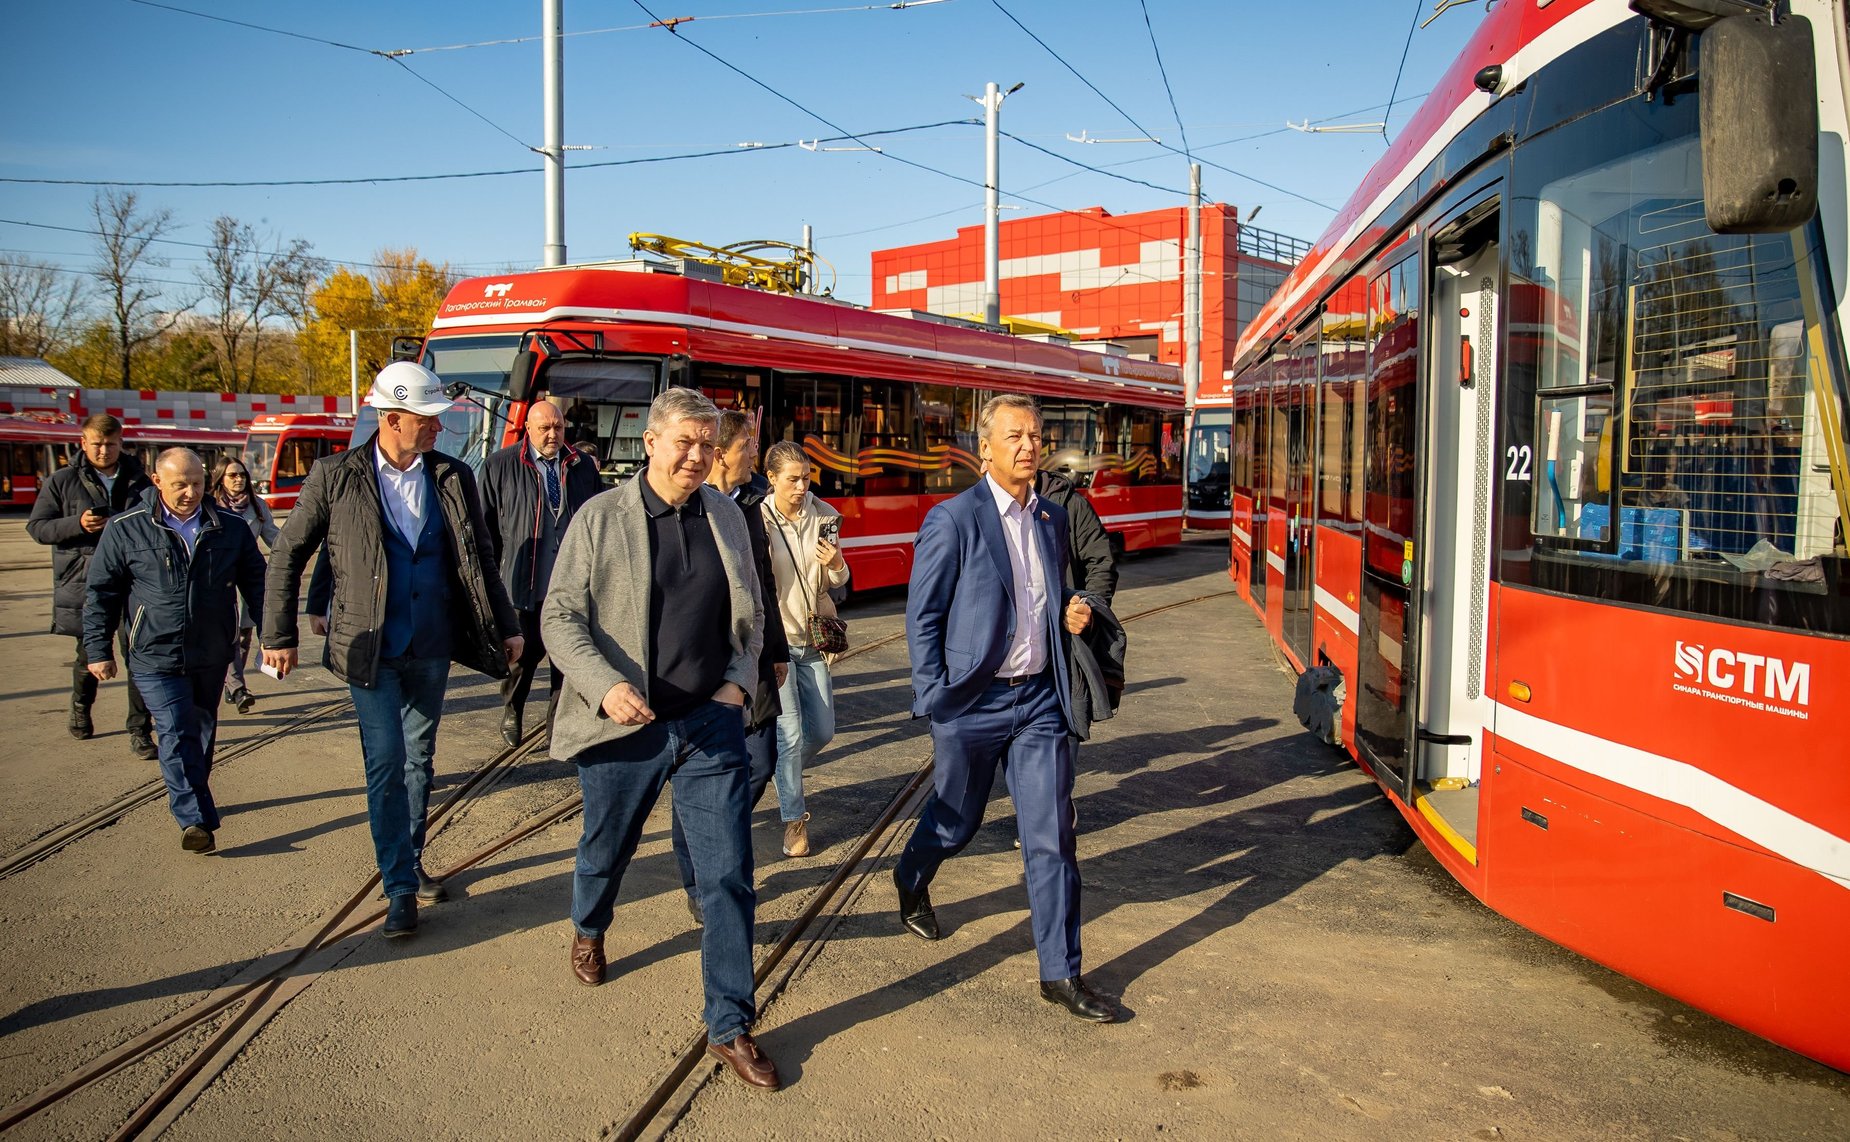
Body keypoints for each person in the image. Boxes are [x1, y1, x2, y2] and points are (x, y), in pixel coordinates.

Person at [541, 387, 778, 1091]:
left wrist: (738, 681)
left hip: (709, 723)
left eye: (709, 445)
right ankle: (589, 924)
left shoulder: (728, 516)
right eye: (686, 443)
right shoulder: (601, 517)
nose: (699, 457)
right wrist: (604, 685)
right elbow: (560, 616)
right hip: (627, 723)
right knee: (604, 848)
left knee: (729, 873)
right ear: (650, 443)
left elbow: (753, 610)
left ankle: (729, 1024)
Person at [262, 362, 523, 939]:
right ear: (392, 417)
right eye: (427, 419)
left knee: (419, 760)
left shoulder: (454, 476)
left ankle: (406, 859)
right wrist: (276, 635)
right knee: (385, 764)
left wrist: (507, 626)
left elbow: (482, 558)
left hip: (430, 644)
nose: (438, 428)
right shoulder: (335, 476)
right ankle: (400, 886)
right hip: (368, 648)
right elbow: (287, 554)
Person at [891, 393, 1115, 1023]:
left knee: (1052, 836)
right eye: (1015, 436)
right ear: (983, 447)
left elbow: (1044, 594)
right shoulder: (953, 518)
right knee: (957, 822)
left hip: (1038, 700)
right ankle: (912, 876)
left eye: (1036, 436)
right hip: (972, 702)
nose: (1028, 446)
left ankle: (1061, 972)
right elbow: (924, 616)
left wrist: (1074, 609)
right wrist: (935, 695)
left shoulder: (1050, 518)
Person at [82, 449, 266, 852]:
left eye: (197, 483)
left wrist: (272, 633)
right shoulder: (126, 528)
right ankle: (194, 819)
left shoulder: (229, 526)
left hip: (212, 650)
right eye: (180, 484)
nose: (189, 492)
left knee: (200, 732)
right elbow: (101, 593)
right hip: (153, 653)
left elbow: (257, 582)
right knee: (175, 730)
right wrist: (98, 649)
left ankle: (194, 801)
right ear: (156, 480)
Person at [671, 409, 789, 923]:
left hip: (750, 654)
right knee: (699, 775)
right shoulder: (690, 507)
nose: (753, 458)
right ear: (722, 453)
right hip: (701, 660)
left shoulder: (751, 507)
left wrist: (778, 649)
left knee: (760, 760)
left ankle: (717, 830)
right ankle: (700, 876)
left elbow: (765, 587)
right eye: (747, 447)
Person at [26, 413, 157, 758]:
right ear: (82, 443)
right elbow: (38, 528)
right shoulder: (62, 481)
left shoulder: (140, 481)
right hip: (86, 581)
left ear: (120, 443)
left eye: (110, 444)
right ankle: (81, 706)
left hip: (135, 581)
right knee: (89, 655)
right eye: (96, 444)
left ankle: (140, 729)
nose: (103, 450)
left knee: (139, 656)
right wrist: (78, 523)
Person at [481, 400, 603, 747]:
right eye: (545, 428)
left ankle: (555, 726)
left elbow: (596, 519)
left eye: (558, 427)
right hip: (523, 584)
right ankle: (512, 709)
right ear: (528, 429)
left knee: (567, 663)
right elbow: (485, 529)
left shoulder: (581, 467)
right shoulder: (500, 465)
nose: (553, 434)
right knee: (522, 659)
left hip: (572, 587)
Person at [759, 441, 849, 859]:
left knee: (822, 732)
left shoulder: (825, 517)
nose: (800, 486)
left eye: (806, 478)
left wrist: (834, 562)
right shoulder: (757, 519)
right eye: (791, 479)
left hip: (812, 639)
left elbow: (838, 580)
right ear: (771, 477)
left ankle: (780, 769)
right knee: (791, 734)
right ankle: (794, 820)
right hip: (776, 643)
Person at [209, 456, 280, 714]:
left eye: (242, 475)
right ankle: (237, 687)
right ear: (220, 479)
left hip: (249, 576)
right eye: (232, 475)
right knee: (228, 633)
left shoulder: (257, 506)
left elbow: (275, 538)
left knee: (243, 635)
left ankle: (232, 685)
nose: (239, 479)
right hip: (220, 577)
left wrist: (295, 552)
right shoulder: (212, 507)